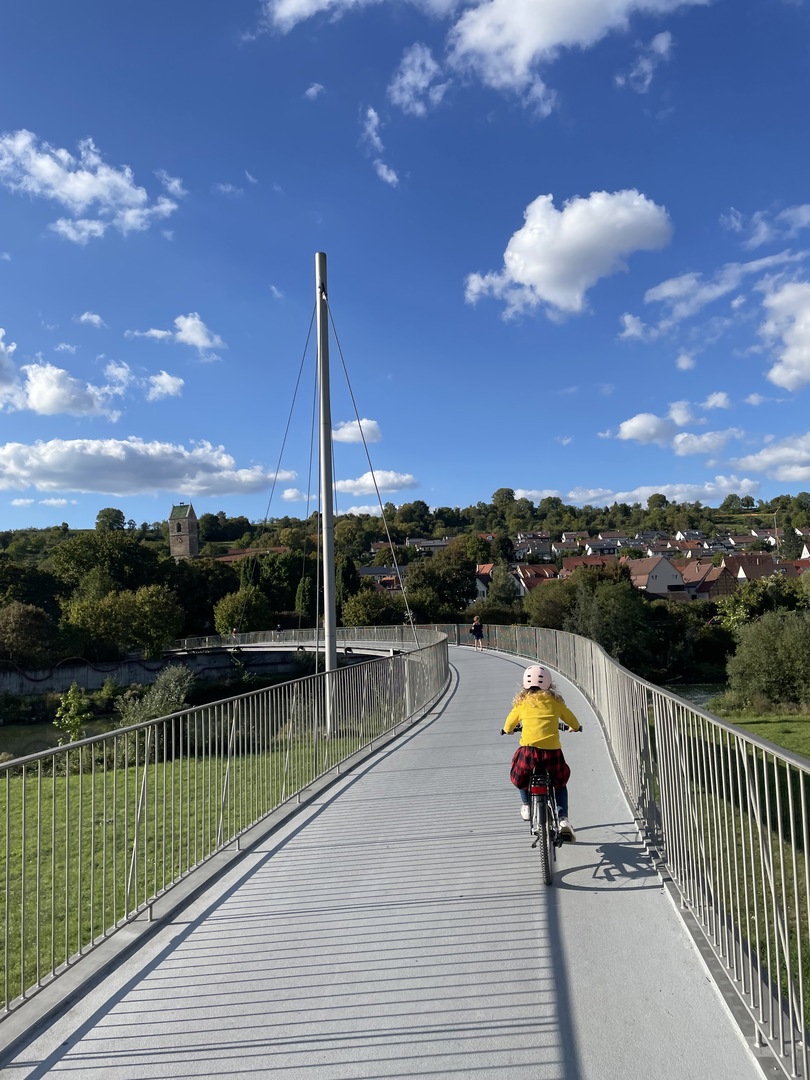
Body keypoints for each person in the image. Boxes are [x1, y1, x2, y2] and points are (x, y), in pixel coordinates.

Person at [501, 664, 582, 841]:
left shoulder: (522, 703)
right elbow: (572, 720)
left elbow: (508, 725)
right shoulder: (555, 702)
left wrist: (508, 730)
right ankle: (563, 819)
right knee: (560, 782)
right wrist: (575, 727)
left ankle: (526, 806)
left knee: (520, 776)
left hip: (529, 752)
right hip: (552, 753)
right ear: (549, 684)